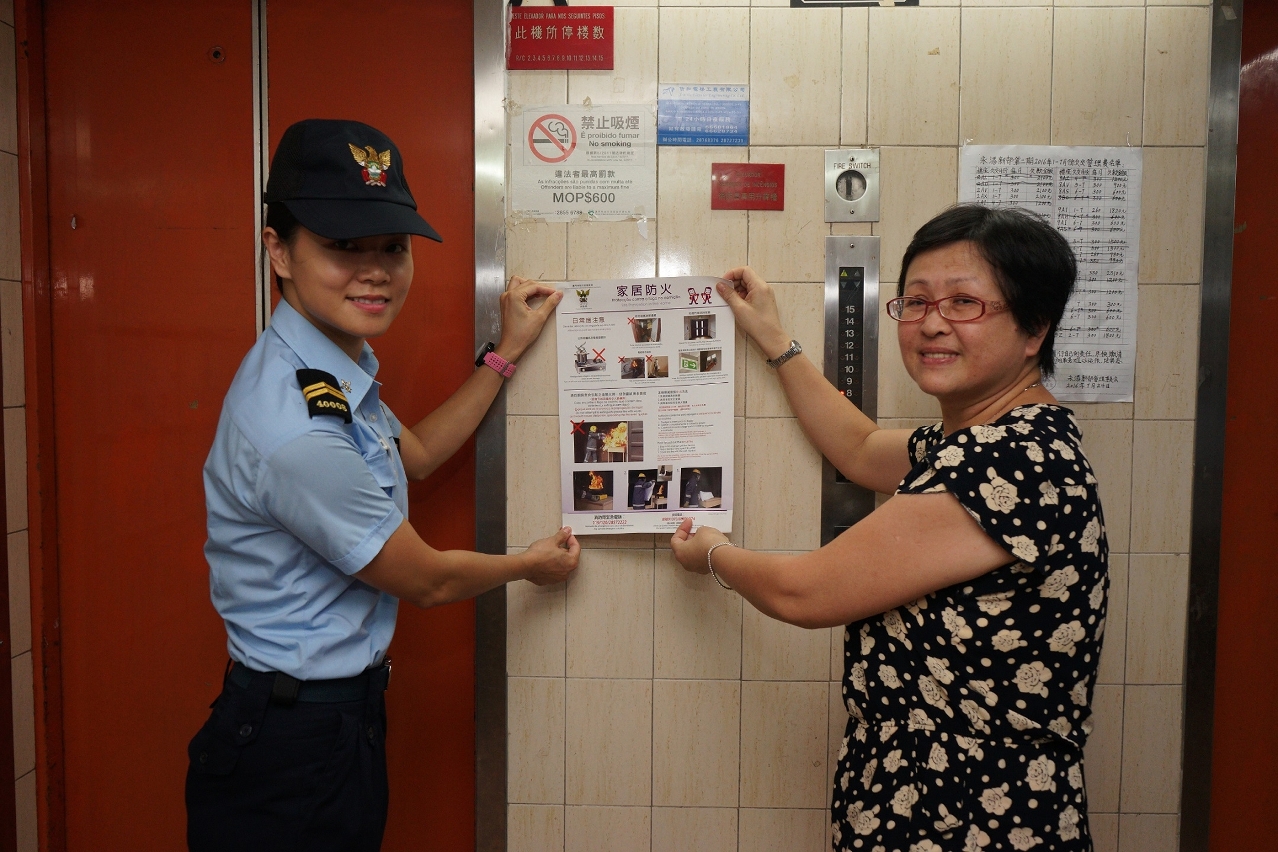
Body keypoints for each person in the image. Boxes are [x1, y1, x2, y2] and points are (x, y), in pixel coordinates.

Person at [185, 119, 579, 852]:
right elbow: (423, 579)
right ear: (279, 251)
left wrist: (506, 353)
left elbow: (419, 452)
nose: (376, 271)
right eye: (342, 247)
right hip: (290, 748)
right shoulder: (297, 425)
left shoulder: (331, 367)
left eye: (391, 248)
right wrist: (532, 565)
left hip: (329, 725)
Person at [670, 205, 1107, 852]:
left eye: (965, 303)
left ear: (1034, 329)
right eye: (919, 300)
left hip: (971, 822)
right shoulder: (992, 438)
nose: (933, 323)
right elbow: (861, 447)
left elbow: (806, 593)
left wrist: (712, 554)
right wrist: (773, 339)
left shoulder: (1009, 460)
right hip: (929, 805)